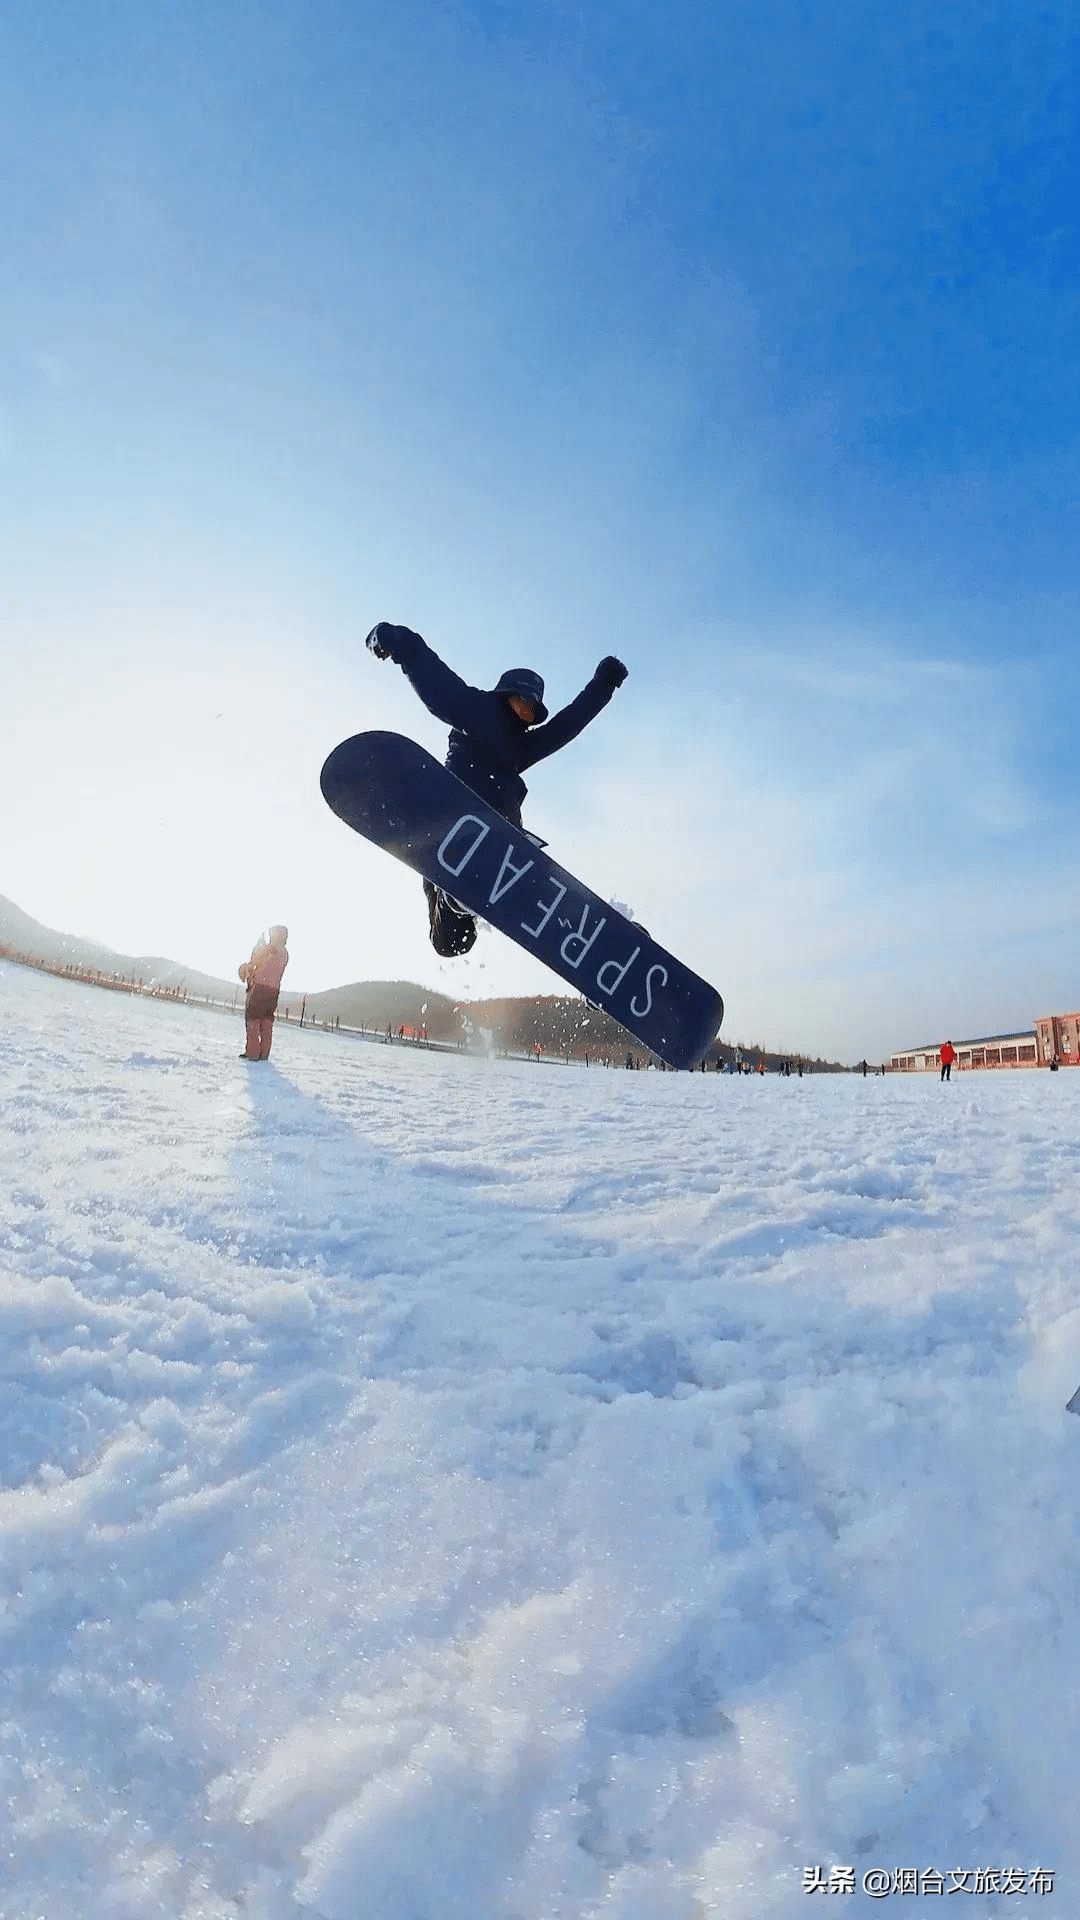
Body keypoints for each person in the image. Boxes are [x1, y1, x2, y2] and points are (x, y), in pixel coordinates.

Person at [365, 622, 628, 956]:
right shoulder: (477, 710)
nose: (530, 714)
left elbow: (566, 725)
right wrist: (399, 642)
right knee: (451, 942)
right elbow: (437, 683)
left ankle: (603, 947)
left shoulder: (523, 746)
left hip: (496, 827)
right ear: (508, 695)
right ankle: (456, 902)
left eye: (534, 710)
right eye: (526, 703)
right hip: (455, 813)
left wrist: (602, 686)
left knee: (470, 930)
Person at [238, 925, 289, 1060]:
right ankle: (264, 1053)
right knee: (266, 1022)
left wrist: (258, 947)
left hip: (260, 988)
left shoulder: (270, 949)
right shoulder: (284, 953)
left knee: (253, 1019)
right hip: (273, 992)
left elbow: (256, 960)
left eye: (273, 933)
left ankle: (253, 1052)